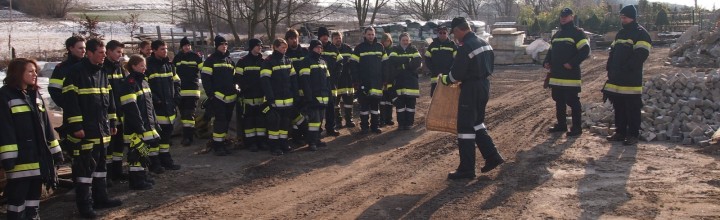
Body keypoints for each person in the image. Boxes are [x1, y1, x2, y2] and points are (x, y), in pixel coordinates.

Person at [62, 38, 122, 217]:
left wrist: (112, 122)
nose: (104, 56)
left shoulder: (102, 72)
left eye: (104, 53)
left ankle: (101, 198)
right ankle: (85, 206)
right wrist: (76, 126)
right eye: (100, 53)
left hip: (102, 130)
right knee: (85, 171)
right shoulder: (75, 73)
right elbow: (71, 102)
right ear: (89, 53)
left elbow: (109, 101)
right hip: (85, 132)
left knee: (101, 168)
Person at [438, 17, 505, 179]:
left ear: (458, 30)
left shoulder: (465, 46)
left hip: (470, 89)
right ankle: (492, 156)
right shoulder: (484, 43)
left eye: (454, 33)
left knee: (465, 128)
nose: (454, 37)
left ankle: (466, 169)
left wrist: (445, 79)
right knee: (476, 123)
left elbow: (457, 74)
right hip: (483, 86)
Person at [0, 58, 64, 220]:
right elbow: (5, 130)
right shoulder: (4, 96)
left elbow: (47, 127)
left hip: (38, 160)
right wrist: (8, 160)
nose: (35, 74)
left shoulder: (34, 94)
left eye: (35, 71)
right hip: (19, 162)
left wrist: (56, 153)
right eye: (30, 71)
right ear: (17, 73)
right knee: (16, 204)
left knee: (33, 204)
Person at [603, 5, 652, 146]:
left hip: (631, 79)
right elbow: (612, 52)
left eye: (625, 17)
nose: (622, 20)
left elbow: (641, 55)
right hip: (617, 78)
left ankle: (633, 134)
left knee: (632, 107)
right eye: (621, 17)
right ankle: (620, 132)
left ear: (632, 17)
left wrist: (626, 68)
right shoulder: (620, 34)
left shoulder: (641, 33)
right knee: (619, 106)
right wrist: (610, 67)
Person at [543, 8, 590, 137]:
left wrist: (572, 63)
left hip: (570, 76)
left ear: (572, 17)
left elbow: (585, 50)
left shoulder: (578, 33)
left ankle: (576, 127)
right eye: (562, 16)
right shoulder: (557, 35)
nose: (563, 18)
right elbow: (550, 52)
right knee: (558, 100)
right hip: (556, 76)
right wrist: (546, 61)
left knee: (573, 101)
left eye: (566, 16)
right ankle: (561, 125)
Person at [117, 55, 159, 190]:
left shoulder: (143, 82)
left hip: (146, 125)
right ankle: (136, 182)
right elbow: (131, 109)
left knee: (143, 152)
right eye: (142, 65)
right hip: (135, 127)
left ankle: (143, 177)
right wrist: (139, 126)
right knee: (136, 154)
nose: (144, 68)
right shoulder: (129, 83)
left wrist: (154, 122)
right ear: (134, 66)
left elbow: (149, 106)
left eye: (145, 65)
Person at [145, 40, 181, 171]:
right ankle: (154, 163)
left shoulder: (169, 65)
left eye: (165, 49)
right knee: (155, 138)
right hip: (156, 108)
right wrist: (156, 100)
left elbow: (177, 82)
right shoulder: (148, 66)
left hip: (169, 107)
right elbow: (144, 86)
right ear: (154, 50)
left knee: (166, 138)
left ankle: (166, 161)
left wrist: (177, 97)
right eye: (162, 49)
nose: (165, 51)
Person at [200, 35, 237, 156]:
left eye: (226, 44)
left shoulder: (230, 60)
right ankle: (217, 145)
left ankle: (223, 142)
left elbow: (234, 78)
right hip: (218, 98)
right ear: (217, 46)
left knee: (226, 121)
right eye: (222, 44)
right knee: (220, 122)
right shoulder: (210, 60)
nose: (224, 46)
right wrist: (211, 95)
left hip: (230, 98)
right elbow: (205, 79)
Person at [261, 39, 298, 156]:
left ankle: (283, 143)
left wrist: (295, 94)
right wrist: (270, 98)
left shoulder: (288, 60)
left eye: (285, 48)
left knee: (285, 124)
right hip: (275, 99)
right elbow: (265, 82)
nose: (285, 50)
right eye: (282, 47)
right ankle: (274, 146)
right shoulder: (268, 61)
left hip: (287, 99)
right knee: (274, 125)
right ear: (275, 47)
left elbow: (293, 79)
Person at [350, 27, 387, 134]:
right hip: (363, 82)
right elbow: (353, 65)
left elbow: (385, 65)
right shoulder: (359, 48)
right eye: (369, 34)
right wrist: (356, 80)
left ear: (375, 35)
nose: (370, 36)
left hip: (377, 82)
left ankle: (375, 126)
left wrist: (385, 79)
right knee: (364, 107)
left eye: (372, 34)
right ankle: (364, 127)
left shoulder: (380, 47)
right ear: (364, 35)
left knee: (375, 107)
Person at [103, 40, 130, 184]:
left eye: (122, 52)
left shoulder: (119, 68)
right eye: (118, 52)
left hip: (120, 112)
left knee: (119, 145)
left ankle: (117, 173)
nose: (121, 55)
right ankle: (107, 176)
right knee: (109, 146)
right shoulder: (102, 69)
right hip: (107, 114)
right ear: (108, 51)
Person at [235, 38, 268, 152]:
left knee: (260, 121)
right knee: (249, 122)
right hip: (248, 98)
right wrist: (245, 88)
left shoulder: (263, 61)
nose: (260, 47)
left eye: (261, 46)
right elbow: (238, 78)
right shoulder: (242, 61)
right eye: (258, 45)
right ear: (252, 47)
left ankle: (261, 141)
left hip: (260, 97)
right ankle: (251, 143)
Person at [299, 40, 332, 151]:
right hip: (313, 97)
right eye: (317, 47)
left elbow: (327, 80)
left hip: (323, 96)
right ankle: (311, 142)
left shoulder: (323, 61)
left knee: (320, 120)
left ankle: (317, 139)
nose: (319, 49)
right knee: (314, 121)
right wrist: (309, 97)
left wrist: (328, 93)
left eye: (320, 47)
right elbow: (305, 81)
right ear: (312, 48)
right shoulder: (306, 61)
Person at [173, 37, 203, 146]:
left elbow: (203, 71)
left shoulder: (195, 57)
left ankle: (188, 138)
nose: (187, 47)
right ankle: (187, 135)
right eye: (185, 45)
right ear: (181, 47)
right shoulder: (177, 58)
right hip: (180, 91)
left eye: (189, 45)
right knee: (183, 115)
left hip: (192, 91)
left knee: (189, 114)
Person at [389, 32, 422, 130]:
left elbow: (417, 61)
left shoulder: (413, 49)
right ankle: (401, 124)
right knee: (400, 105)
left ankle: (409, 124)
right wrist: (408, 59)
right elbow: (393, 60)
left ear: (409, 41)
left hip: (411, 82)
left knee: (411, 105)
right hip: (399, 81)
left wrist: (403, 66)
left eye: (407, 40)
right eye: (403, 40)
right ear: (399, 41)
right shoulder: (395, 49)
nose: (405, 42)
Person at [285, 29, 310, 147]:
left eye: (295, 38)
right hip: (292, 90)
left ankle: (306, 135)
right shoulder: (285, 54)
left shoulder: (306, 52)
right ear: (287, 40)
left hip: (305, 89)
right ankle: (296, 137)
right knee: (295, 115)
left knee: (306, 114)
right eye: (291, 39)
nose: (294, 40)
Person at [49, 35, 86, 109]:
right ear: (71, 48)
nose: (84, 51)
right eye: (80, 48)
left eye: (84, 48)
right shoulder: (61, 68)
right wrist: (68, 105)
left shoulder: (89, 66)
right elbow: (54, 90)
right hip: (72, 113)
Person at [318, 27, 342, 136]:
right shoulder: (315, 47)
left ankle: (331, 128)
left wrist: (335, 78)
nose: (325, 37)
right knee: (318, 108)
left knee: (331, 107)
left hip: (331, 82)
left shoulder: (333, 48)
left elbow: (340, 63)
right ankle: (318, 130)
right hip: (319, 84)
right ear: (319, 37)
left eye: (326, 35)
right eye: (323, 35)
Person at [332, 32, 356, 128]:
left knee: (349, 102)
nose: (338, 39)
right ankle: (338, 121)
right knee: (335, 104)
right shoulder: (330, 49)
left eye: (339, 38)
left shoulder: (348, 49)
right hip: (335, 81)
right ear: (332, 39)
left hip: (347, 80)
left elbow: (353, 64)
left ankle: (349, 120)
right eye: (336, 38)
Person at [425, 26, 456, 97]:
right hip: (435, 75)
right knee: (434, 96)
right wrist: (432, 69)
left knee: (448, 96)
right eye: (440, 33)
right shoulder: (432, 45)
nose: (442, 34)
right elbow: (427, 58)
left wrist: (450, 69)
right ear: (437, 34)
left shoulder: (452, 45)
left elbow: (456, 59)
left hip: (448, 76)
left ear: (447, 33)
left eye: (444, 33)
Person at [379, 33, 396, 128]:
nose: (386, 42)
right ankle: (382, 119)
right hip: (382, 79)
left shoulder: (393, 51)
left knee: (390, 100)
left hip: (391, 79)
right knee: (382, 101)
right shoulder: (381, 50)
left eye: (388, 41)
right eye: (385, 41)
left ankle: (389, 119)